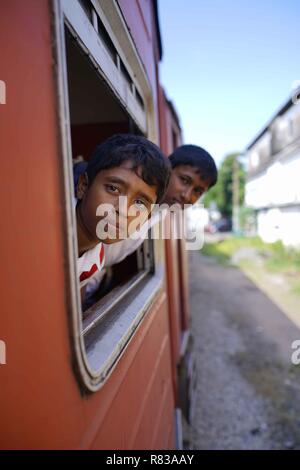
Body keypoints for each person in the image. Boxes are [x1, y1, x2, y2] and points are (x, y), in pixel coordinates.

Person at [84, 144, 218, 301]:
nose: (186, 195)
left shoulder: (160, 212)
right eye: (184, 180)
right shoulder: (130, 202)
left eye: (198, 191)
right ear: (167, 170)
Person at [74, 134, 171, 293]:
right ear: (83, 186)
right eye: (113, 188)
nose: (124, 210)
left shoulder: (94, 263)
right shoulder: (39, 228)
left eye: (139, 203)